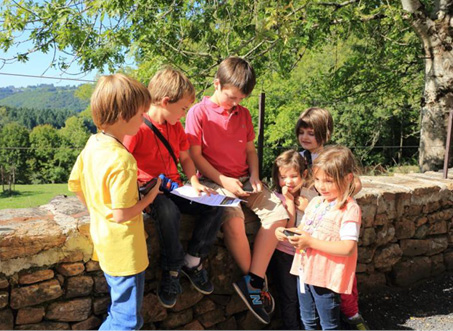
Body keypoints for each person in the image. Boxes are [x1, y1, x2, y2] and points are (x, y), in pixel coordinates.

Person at [185, 56, 289, 324]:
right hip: (212, 181)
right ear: (216, 83)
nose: (236, 104)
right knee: (233, 221)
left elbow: (250, 150)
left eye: (241, 99)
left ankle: (253, 281)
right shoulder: (198, 112)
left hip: (244, 178)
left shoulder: (243, 114)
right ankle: (257, 286)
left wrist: (254, 175)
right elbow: (194, 157)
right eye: (232, 97)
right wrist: (222, 180)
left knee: (279, 214)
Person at [123, 67, 224, 309]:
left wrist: (195, 182)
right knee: (168, 212)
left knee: (215, 206)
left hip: (175, 187)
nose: (184, 114)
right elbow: (123, 161)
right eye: (183, 109)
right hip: (150, 190)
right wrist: (144, 184)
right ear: (166, 102)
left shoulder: (175, 127)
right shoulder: (139, 126)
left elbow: (186, 158)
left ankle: (193, 259)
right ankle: (171, 271)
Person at [68, 74, 161, 330]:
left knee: (120, 309)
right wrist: (150, 196)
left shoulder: (93, 144)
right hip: (125, 252)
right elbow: (121, 214)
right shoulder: (123, 160)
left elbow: (75, 184)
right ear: (123, 116)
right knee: (127, 320)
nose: (144, 120)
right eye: (141, 114)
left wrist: (97, 210)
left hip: (104, 242)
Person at [295, 107, 368, 330]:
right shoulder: (299, 159)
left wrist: (339, 195)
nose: (305, 137)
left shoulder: (332, 160)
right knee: (309, 316)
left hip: (327, 258)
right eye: (302, 132)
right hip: (307, 260)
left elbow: (347, 247)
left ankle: (355, 318)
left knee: (337, 303)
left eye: (312, 133)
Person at [277, 145, 362, 330]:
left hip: (326, 276)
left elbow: (348, 247)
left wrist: (310, 242)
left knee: (328, 324)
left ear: (347, 179)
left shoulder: (349, 208)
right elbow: (304, 230)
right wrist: (286, 234)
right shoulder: (316, 202)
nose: (321, 186)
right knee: (308, 321)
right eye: (317, 179)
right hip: (304, 271)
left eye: (328, 181)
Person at [268, 150, 318, 329]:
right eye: (283, 177)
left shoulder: (311, 196)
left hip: (307, 255)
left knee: (307, 298)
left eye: (294, 176)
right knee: (289, 297)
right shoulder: (277, 198)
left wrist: (307, 208)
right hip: (286, 255)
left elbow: (318, 222)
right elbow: (288, 229)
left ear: (304, 175)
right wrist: (289, 202)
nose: (288, 181)